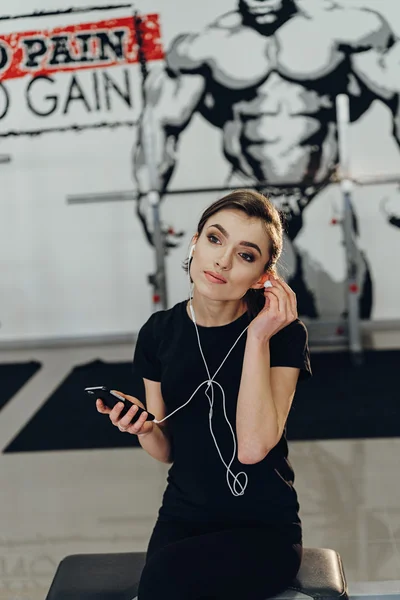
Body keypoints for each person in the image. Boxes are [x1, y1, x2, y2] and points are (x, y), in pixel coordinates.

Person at [97, 189, 312, 600]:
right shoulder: (159, 332)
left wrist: (258, 336)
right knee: (158, 585)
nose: (223, 261)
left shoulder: (283, 337)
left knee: (163, 580)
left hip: (262, 528)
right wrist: (141, 426)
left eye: (246, 255)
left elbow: (251, 448)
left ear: (265, 276)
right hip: (183, 514)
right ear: (195, 243)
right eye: (215, 239)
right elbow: (165, 449)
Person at [134, 0, 400, 319]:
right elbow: (159, 122)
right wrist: (147, 199)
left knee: (341, 305)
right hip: (250, 191)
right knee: (237, 306)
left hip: (320, 187)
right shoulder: (206, 46)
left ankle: (335, 366)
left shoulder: (346, 30)